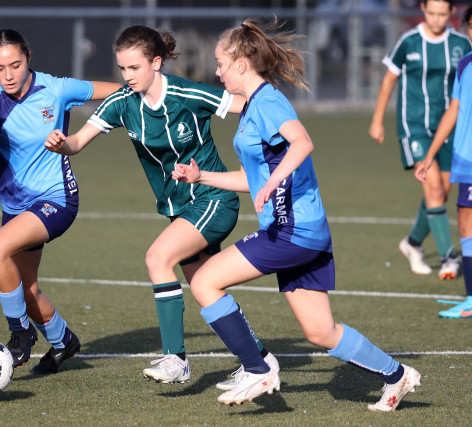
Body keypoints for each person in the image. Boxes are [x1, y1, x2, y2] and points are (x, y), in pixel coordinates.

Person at [172, 18, 421, 411]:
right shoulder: (253, 107)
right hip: (304, 231)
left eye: (220, 64)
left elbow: (303, 142)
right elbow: (253, 178)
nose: (216, 71)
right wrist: (201, 176)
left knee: (204, 281)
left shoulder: (268, 103)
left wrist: (273, 182)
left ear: (241, 65)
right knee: (321, 332)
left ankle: (257, 368)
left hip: (292, 230)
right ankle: (397, 375)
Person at [44, 25, 278, 384]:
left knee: (157, 258)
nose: (127, 76)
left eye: (134, 67)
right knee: (204, 287)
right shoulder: (122, 102)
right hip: (179, 209)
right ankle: (259, 361)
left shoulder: (187, 93)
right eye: (122, 68)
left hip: (213, 199)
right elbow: (76, 143)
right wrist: (62, 143)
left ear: (156, 62)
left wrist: (273, 139)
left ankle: (175, 359)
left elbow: (248, 102)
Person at [0, 29, 121, 374]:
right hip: (15, 206)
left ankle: (20, 333)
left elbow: (118, 91)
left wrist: (149, 91)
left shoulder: (57, 88)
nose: (8, 75)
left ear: (29, 58)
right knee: (26, 289)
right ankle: (64, 341)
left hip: (57, 199)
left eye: (15, 65)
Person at [369, 0, 471, 279]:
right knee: (434, 188)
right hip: (413, 125)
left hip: (448, 127)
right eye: (431, 13)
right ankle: (449, 258)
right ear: (423, 10)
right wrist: (377, 121)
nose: (436, 19)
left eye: (442, 14)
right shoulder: (409, 41)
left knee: (442, 193)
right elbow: (389, 80)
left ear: (452, 13)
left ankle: (412, 243)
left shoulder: (461, 44)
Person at [415, 6, 472, 319]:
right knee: (465, 221)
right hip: (465, 157)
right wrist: (429, 156)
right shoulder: (465, 63)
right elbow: (454, 110)